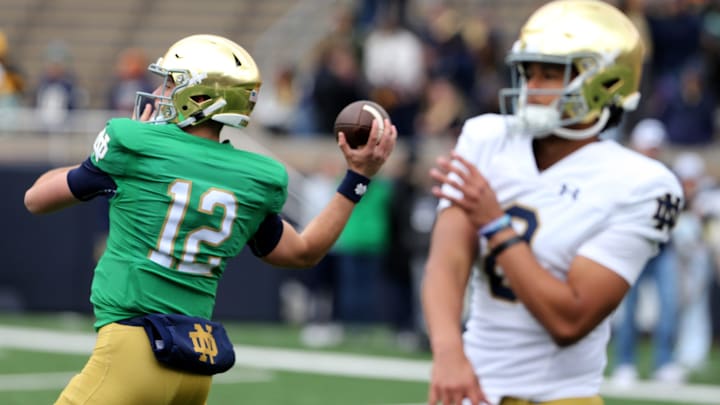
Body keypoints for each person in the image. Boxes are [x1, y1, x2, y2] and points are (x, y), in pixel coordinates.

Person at [23, 34, 396, 405]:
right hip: (195, 362)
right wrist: (357, 178)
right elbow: (303, 252)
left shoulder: (135, 144)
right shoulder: (254, 176)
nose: (160, 90)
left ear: (198, 97)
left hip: (131, 353)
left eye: (171, 82)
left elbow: (37, 198)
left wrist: (104, 163)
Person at [421, 1, 684, 405]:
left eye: (551, 75)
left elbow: (569, 319)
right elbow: (446, 262)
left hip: (560, 397)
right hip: (472, 388)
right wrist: (448, 351)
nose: (532, 88)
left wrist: (495, 224)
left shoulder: (643, 184)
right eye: (529, 72)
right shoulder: (486, 138)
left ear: (604, 82)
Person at [610, 119, 683, 386]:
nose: (652, 152)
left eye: (655, 148)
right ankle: (625, 363)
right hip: (633, 249)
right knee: (628, 309)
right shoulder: (624, 175)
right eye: (647, 147)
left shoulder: (667, 177)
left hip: (662, 249)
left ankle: (664, 362)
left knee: (669, 306)